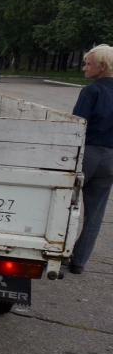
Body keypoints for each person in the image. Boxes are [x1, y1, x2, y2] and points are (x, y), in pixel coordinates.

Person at [69, 44, 113, 274]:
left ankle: (58, 249)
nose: (84, 68)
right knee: (95, 212)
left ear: (102, 66)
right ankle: (79, 261)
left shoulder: (92, 91)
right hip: (111, 157)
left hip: (88, 152)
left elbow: (76, 124)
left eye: (88, 64)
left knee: (64, 202)